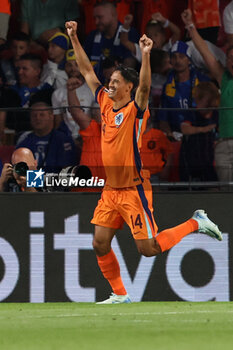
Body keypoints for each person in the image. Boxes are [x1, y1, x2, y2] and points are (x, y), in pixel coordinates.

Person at [66, 20, 222, 304]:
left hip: (133, 190)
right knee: (100, 244)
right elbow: (87, 70)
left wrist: (146, 54)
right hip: (111, 190)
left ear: (128, 87)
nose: (109, 85)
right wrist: (74, 37)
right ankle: (121, 294)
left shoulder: (135, 111)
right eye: (110, 81)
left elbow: (146, 88)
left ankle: (195, 223)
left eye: (116, 82)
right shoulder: (103, 101)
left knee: (148, 248)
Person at [181, 8, 233, 184]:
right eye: (230, 58)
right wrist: (190, 26)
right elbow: (204, 51)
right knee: (226, 194)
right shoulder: (223, 77)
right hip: (224, 144)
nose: (232, 62)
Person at [157, 40, 210, 140]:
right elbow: (163, 118)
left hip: (201, 136)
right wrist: (170, 135)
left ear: (189, 60)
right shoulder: (167, 86)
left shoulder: (202, 81)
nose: (177, 61)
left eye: (181, 57)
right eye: (174, 57)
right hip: (175, 136)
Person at [16, 90, 76, 173]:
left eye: (42, 115)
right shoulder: (24, 141)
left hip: (55, 183)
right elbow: (19, 171)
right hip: (31, 183)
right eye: (34, 115)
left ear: (51, 116)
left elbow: (67, 171)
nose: (37, 118)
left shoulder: (62, 140)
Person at [84, 1, 140, 76]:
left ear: (113, 15)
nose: (96, 22)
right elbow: (83, 62)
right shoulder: (92, 35)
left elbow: (129, 66)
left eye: (100, 17)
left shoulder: (129, 33)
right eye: (95, 18)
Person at [179, 81, 219, 182]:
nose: (200, 103)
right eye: (199, 99)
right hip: (193, 159)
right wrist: (204, 129)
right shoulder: (192, 113)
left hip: (213, 160)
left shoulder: (218, 114)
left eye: (205, 100)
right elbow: (185, 129)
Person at [52, 49, 95, 139]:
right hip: (67, 139)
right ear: (64, 68)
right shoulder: (57, 93)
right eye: (69, 65)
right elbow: (58, 123)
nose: (73, 69)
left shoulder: (93, 90)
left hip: (90, 137)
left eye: (77, 65)